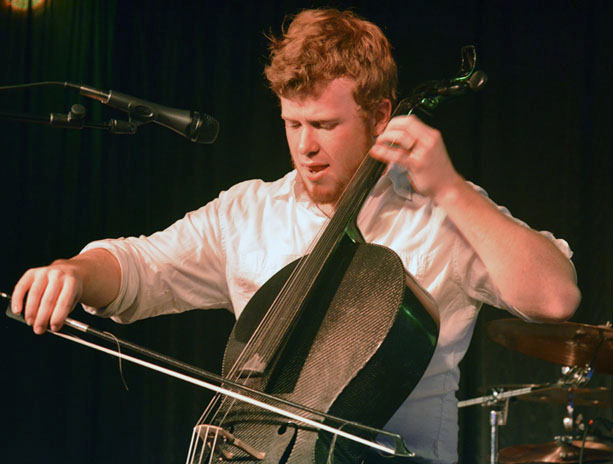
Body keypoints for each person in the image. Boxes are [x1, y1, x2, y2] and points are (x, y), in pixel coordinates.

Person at [11, 8, 580, 464]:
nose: (305, 147)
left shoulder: (441, 214)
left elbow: (554, 300)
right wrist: (75, 272)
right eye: (293, 123)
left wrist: (452, 190)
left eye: (327, 126)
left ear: (381, 116)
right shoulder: (249, 210)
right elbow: (140, 267)